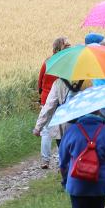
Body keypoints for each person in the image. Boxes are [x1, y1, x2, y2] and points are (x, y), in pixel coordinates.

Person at [37, 36, 70, 168]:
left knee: (46, 131)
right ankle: (63, 161)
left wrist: (41, 95)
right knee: (61, 131)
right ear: (62, 47)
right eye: (66, 45)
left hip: (46, 98)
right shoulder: (66, 62)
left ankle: (45, 160)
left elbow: (40, 81)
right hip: (61, 98)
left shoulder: (47, 62)